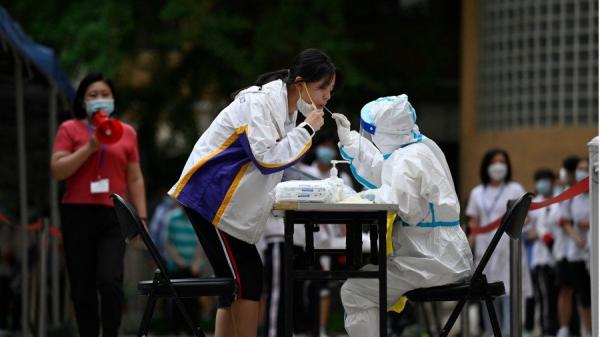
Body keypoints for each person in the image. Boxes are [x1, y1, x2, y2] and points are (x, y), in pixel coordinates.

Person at [168, 48, 338, 337]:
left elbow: (278, 161)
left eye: (330, 90)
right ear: (300, 83)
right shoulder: (259, 103)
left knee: (240, 281)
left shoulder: (287, 110)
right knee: (243, 279)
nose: (327, 96)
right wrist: (308, 130)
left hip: (221, 201)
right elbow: (266, 158)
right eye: (323, 88)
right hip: (210, 198)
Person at [331, 95, 473, 337]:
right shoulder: (418, 147)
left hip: (432, 259)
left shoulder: (408, 158)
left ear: (385, 131)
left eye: (370, 131)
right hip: (442, 254)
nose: (370, 136)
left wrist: (364, 198)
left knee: (355, 291)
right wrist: (353, 142)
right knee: (364, 280)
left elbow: (399, 202)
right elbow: (387, 173)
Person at [50, 72, 147, 337]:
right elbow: (58, 170)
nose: (100, 100)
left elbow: (135, 177)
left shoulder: (127, 133)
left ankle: (112, 332)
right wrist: (89, 148)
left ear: (113, 99)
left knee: (110, 280)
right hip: (77, 213)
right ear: (83, 100)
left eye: (105, 94)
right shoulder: (69, 129)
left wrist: (142, 216)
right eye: (93, 95)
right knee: (82, 286)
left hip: (112, 214)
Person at [465, 148, 525, 336]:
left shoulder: (515, 189)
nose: (498, 166)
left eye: (502, 162)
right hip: (486, 249)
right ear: (486, 166)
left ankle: (509, 332)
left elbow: (525, 218)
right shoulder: (477, 192)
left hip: (508, 247)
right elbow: (473, 224)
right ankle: (492, 332)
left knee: (508, 292)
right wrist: (466, 251)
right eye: (494, 162)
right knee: (487, 292)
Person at [557, 158, 592, 337]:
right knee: (583, 294)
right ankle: (587, 331)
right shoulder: (570, 194)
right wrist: (576, 237)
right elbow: (565, 221)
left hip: (595, 250)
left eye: (586, 168)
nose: (582, 171)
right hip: (576, 252)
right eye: (580, 169)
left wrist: (592, 223)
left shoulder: (596, 191)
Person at [525, 168, 559, 337]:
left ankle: (558, 328)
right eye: (540, 180)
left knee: (557, 294)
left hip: (559, 255)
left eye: (546, 179)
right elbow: (527, 231)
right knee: (543, 295)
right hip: (539, 257)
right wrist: (539, 234)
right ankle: (546, 329)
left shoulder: (559, 200)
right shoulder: (534, 204)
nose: (543, 184)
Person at [555, 155, 581, 337]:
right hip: (565, 251)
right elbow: (563, 220)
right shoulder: (565, 193)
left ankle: (586, 329)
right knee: (566, 289)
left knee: (585, 292)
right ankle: (564, 328)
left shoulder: (587, 191)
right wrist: (575, 235)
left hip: (583, 252)